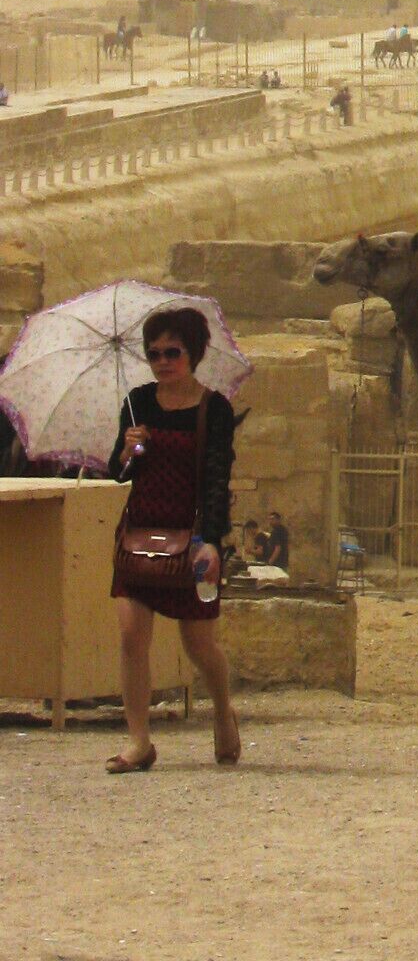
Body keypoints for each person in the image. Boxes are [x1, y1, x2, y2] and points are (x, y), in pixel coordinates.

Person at [106, 305, 241, 771]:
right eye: (154, 353)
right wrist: (128, 451)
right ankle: (139, 741)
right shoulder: (137, 402)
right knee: (130, 635)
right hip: (139, 533)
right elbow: (119, 472)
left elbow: (218, 479)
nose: (162, 361)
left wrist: (211, 540)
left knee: (199, 644)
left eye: (172, 352)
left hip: (195, 539)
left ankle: (223, 713)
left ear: (193, 353)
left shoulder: (214, 409)